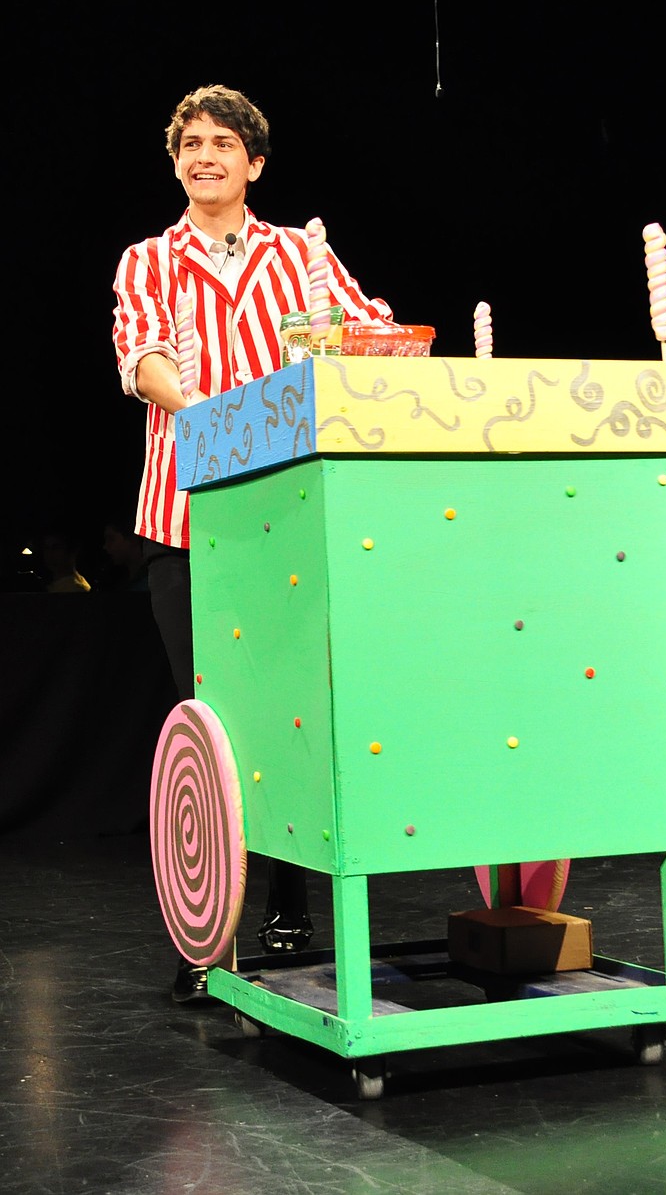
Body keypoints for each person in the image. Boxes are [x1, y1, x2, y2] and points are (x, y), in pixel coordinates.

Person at [113, 84, 394, 1003]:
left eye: (222, 145)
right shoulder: (149, 260)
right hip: (188, 519)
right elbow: (141, 357)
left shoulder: (298, 254)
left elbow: (363, 333)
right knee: (212, 720)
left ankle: (289, 904)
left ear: (254, 164)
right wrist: (210, 418)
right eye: (190, 144)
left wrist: (377, 340)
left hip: (289, 515)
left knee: (293, 711)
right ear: (178, 162)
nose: (204, 157)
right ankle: (212, 931)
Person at [41, 525, 92, 593]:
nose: (49, 554)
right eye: (46, 548)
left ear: (72, 551)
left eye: (56, 548)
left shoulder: (76, 589)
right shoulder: (53, 584)